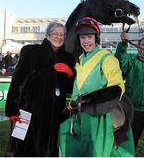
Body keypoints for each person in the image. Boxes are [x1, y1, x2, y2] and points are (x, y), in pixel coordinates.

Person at [58, 17, 135, 157]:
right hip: (77, 114)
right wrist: (70, 74)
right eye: (82, 37)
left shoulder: (107, 58)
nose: (86, 41)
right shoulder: (80, 59)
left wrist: (91, 101)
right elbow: (80, 85)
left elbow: (117, 87)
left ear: (96, 37)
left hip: (98, 117)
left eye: (89, 37)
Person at [5, 22, 76, 157]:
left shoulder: (68, 58)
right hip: (29, 114)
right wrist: (13, 110)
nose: (58, 37)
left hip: (55, 117)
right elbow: (18, 82)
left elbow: (70, 89)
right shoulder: (31, 52)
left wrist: (70, 73)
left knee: (50, 151)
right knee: (26, 151)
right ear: (47, 35)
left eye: (62, 35)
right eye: (55, 34)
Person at [115, 32, 144, 149]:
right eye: (143, 45)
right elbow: (121, 60)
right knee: (131, 139)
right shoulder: (132, 61)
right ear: (138, 47)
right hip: (133, 109)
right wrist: (123, 43)